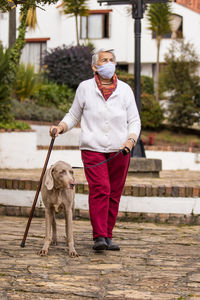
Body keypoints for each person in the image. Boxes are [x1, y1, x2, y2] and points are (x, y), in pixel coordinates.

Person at [49, 49, 141, 251]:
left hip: (121, 150)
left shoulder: (125, 90)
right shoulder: (85, 88)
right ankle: (99, 236)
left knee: (114, 192)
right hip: (93, 148)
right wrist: (60, 128)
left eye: (111, 60)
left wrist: (131, 140)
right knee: (101, 188)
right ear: (94, 66)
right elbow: (74, 115)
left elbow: (134, 120)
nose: (108, 63)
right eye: (104, 60)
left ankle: (108, 235)